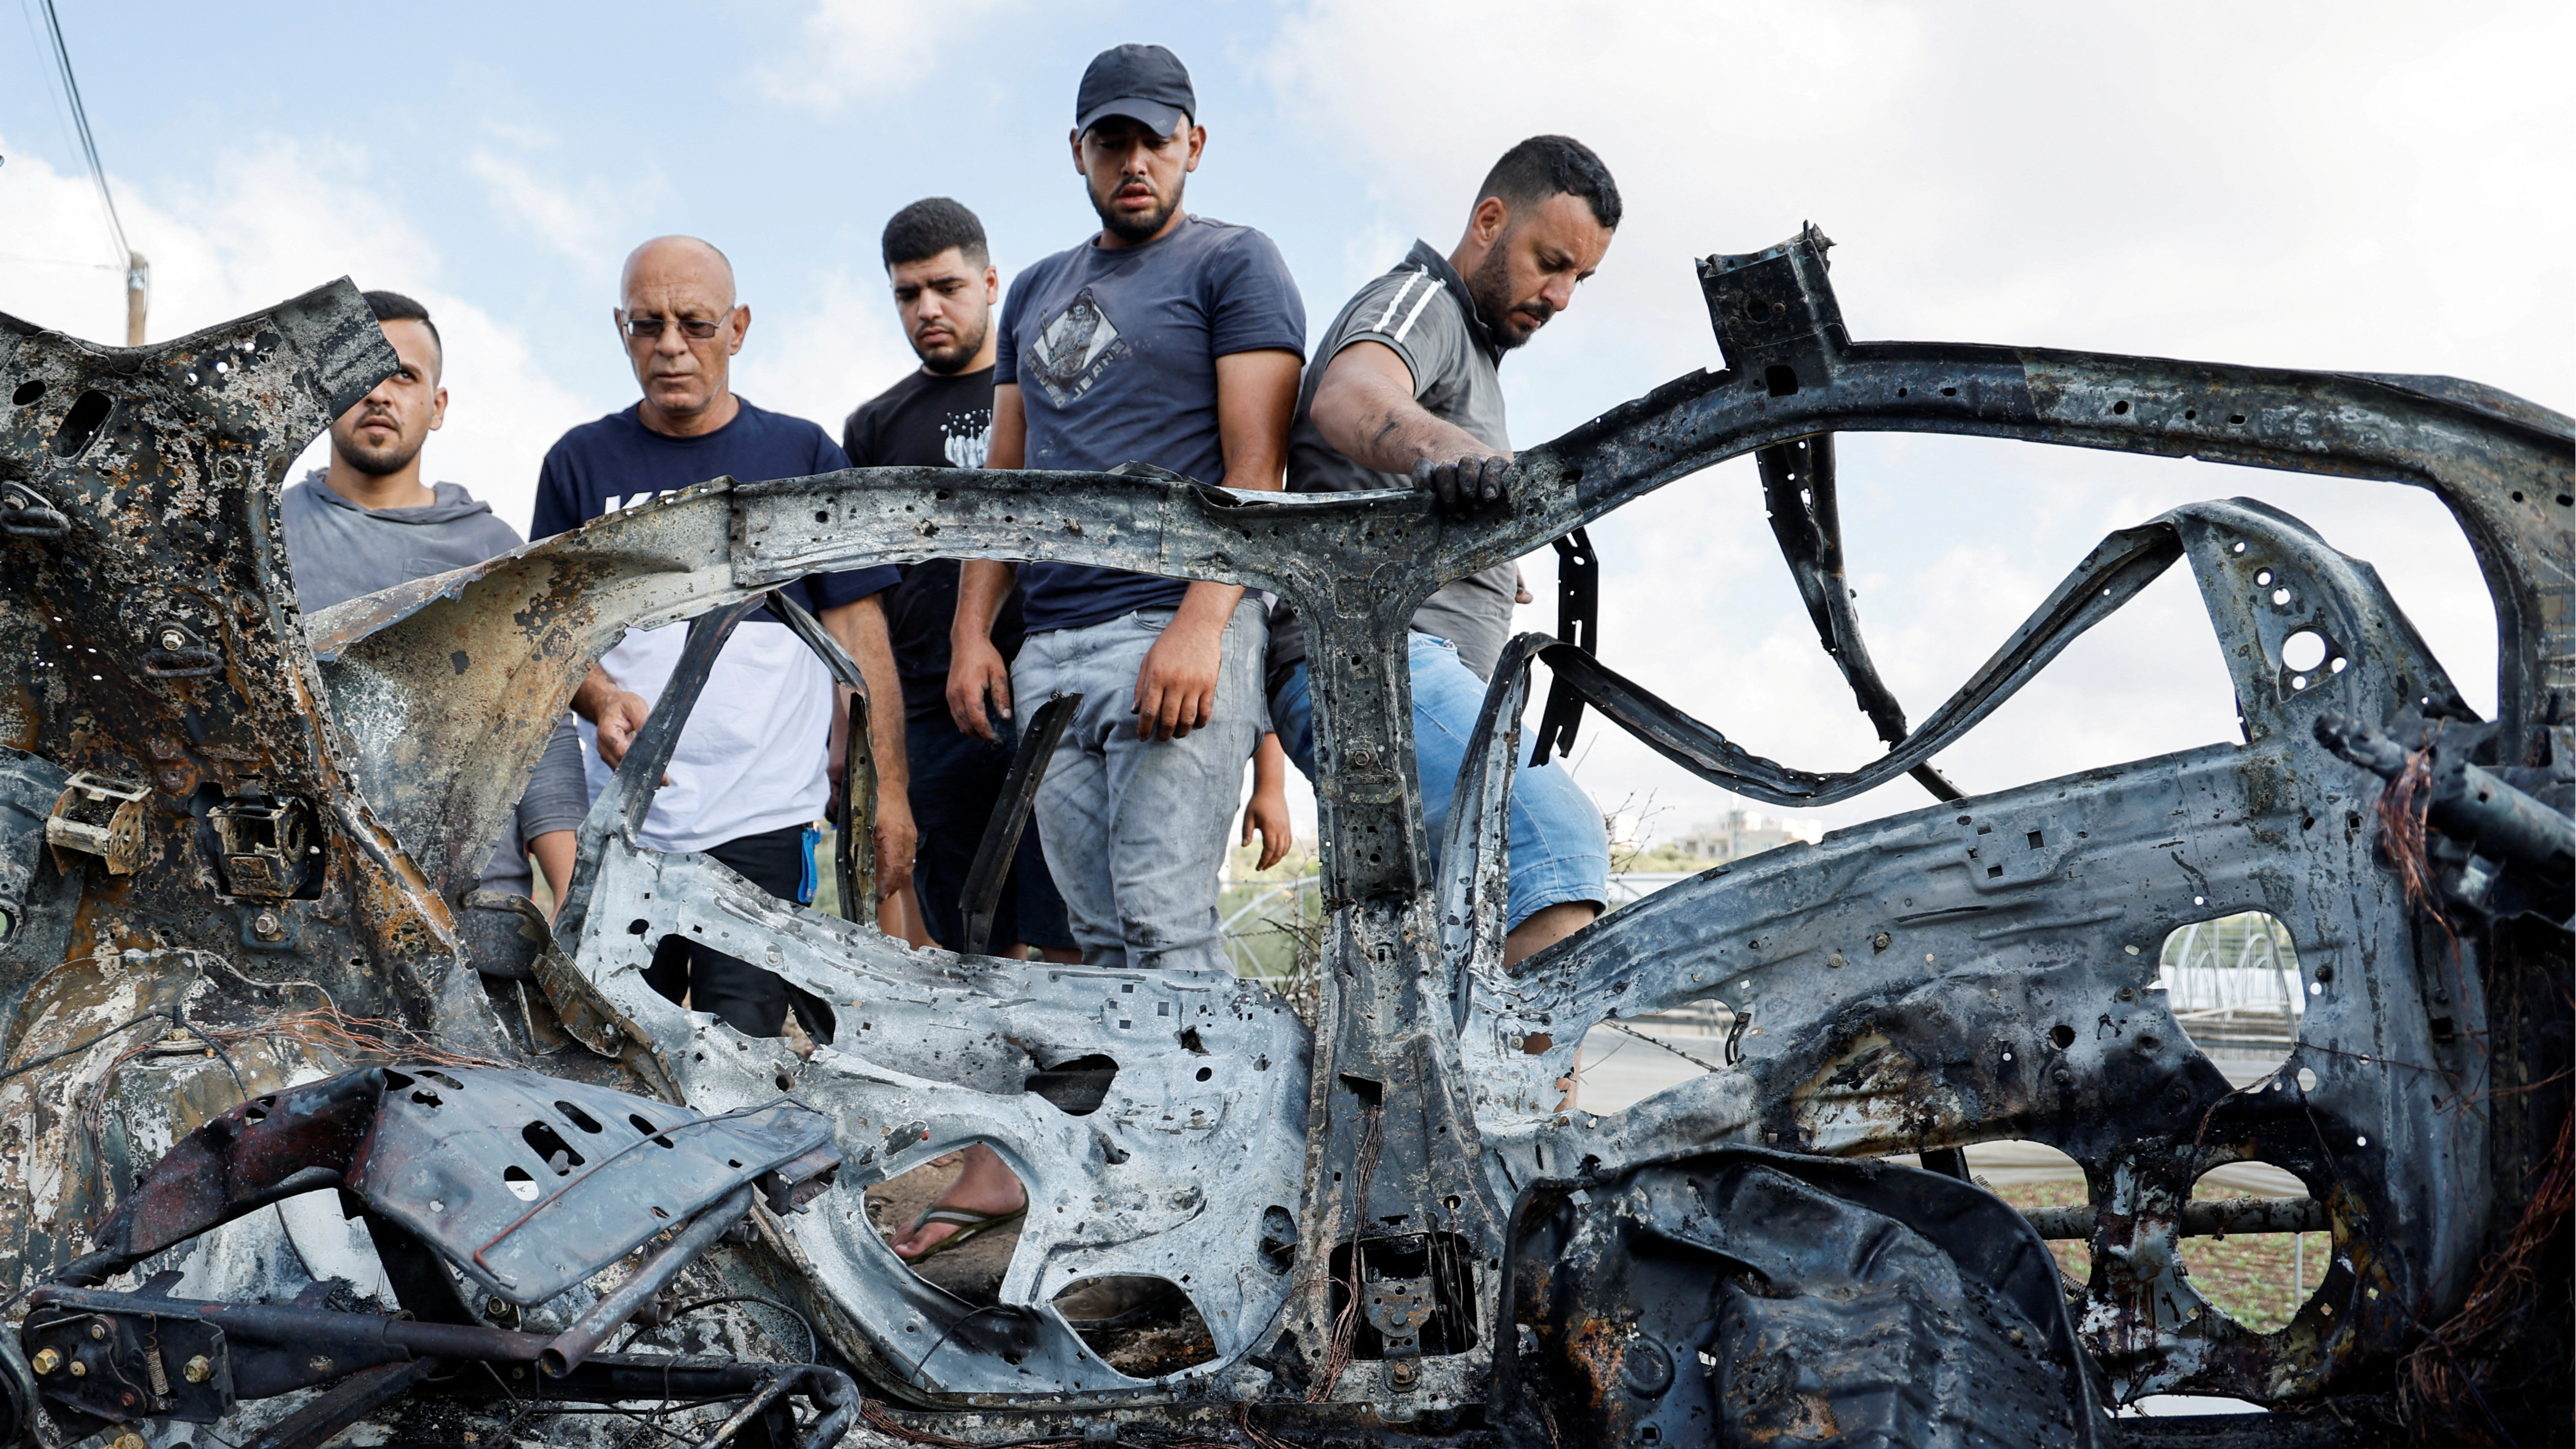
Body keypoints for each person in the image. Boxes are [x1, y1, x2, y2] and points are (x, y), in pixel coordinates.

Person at [907, 43, 1304, 1267]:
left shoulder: (1235, 263)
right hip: (1055, 647)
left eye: (1154, 139)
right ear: (1077, 152)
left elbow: (1257, 466)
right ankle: (1136, 1183)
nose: (1133, 162)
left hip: (1171, 631)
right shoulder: (1032, 286)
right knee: (1087, 935)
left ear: (1192, 143)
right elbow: (1007, 480)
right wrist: (977, 629)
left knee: (1162, 918)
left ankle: (1228, 1194)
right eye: (1109, 142)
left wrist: (1203, 619)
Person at [533, 236, 911, 1041]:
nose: (671, 345)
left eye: (696, 324)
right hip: (623, 819)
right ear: (620, 329)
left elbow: (859, 636)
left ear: (738, 328)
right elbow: (551, 636)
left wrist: (891, 793)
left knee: (744, 1042)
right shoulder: (576, 461)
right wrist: (599, 700)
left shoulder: (803, 455)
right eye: (648, 324)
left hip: (764, 814)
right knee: (620, 1037)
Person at [1273, 135, 1621, 968]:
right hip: (1375, 663)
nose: (1563, 296)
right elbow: (1353, 392)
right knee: (1549, 847)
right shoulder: (1420, 300)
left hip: (1406, 670)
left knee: (1433, 965)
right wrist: (1453, 457)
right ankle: (1530, 1103)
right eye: (1550, 262)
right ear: (1490, 220)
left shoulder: (1477, 360)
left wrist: (1484, 551)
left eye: (1581, 278)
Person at [281, 289, 586, 910]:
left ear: (436, 404)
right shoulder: (261, 538)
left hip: (471, 909)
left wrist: (578, 906)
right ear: (321, 393)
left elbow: (541, 730)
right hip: (297, 905)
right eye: (358, 376)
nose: (379, 393)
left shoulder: (493, 551)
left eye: (404, 376)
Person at [843, 198, 1080, 965]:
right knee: (958, 950)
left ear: (990, 282)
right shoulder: (873, 426)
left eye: (946, 286)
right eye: (908, 294)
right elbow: (861, 600)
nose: (928, 309)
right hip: (924, 709)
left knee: (1068, 931)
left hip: (1043, 689)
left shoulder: (1043, 397)